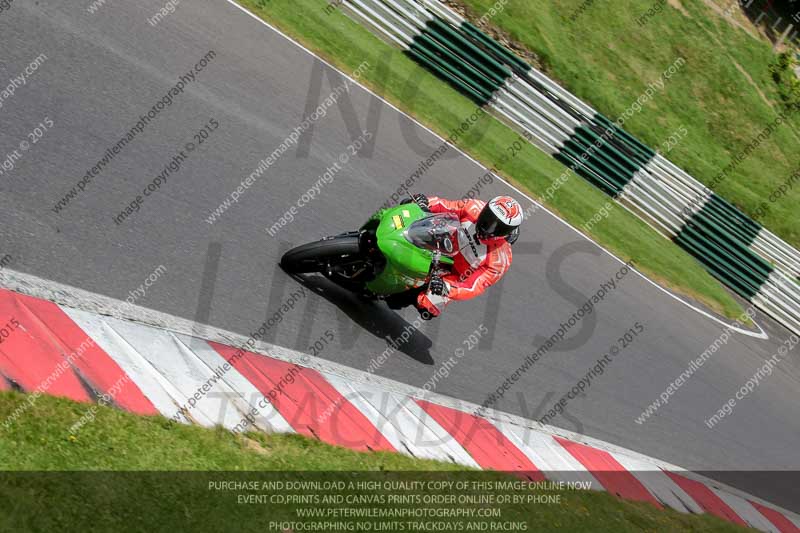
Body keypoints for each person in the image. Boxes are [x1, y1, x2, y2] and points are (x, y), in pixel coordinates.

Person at [386, 194, 524, 319]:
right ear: (485, 209)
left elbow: (473, 286)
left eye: (497, 227)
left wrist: (447, 288)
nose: (488, 227)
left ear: (507, 233)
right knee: (409, 207)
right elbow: (444, 205)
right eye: (488, 217)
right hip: (439, 246)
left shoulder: (500, 259)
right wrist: (425, 202)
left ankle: (402, 294)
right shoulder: (473, 207)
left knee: (430, 305)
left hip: (452, 276)